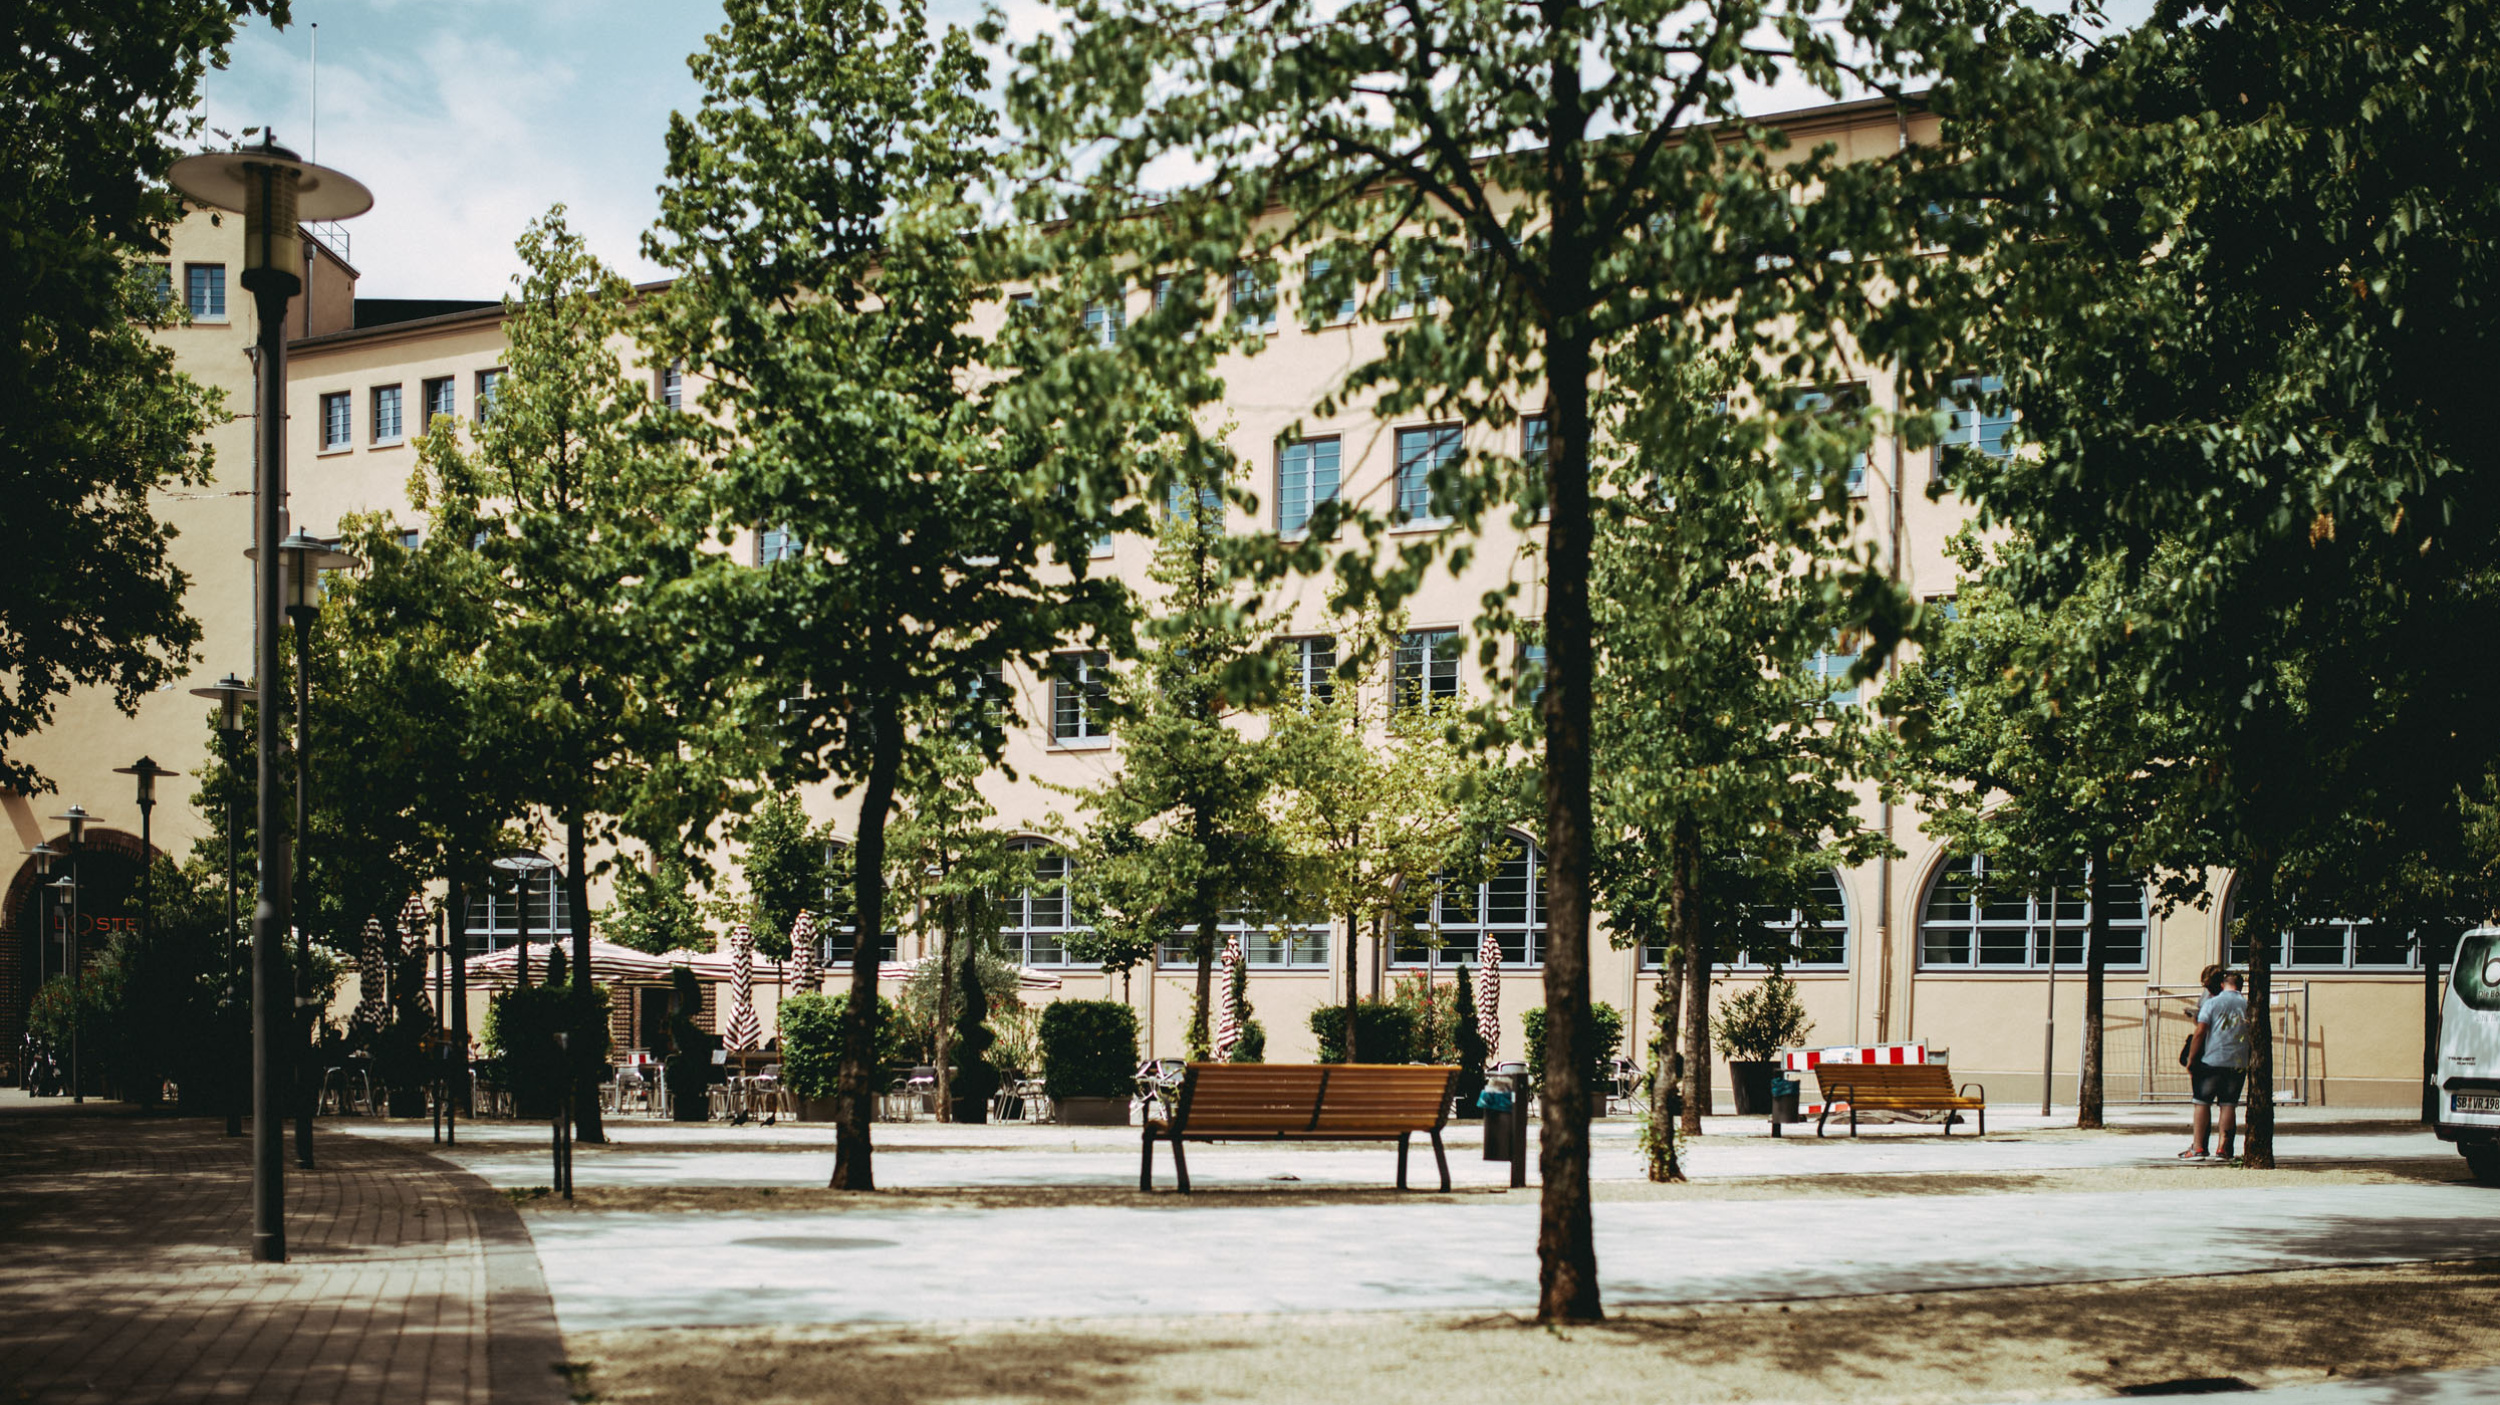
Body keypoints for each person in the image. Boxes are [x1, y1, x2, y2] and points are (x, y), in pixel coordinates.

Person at [2184, 965, 2252, 1159]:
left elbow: (2200, 1031)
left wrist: (2192, 1059)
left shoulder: (2212, 1004)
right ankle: (2224, 1147)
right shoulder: (2247, 1005)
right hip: (2237, 1061)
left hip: (2212, 1059)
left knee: (2202, 1103)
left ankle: (2198, 1147)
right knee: (2228, 1104)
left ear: (2223, 984)